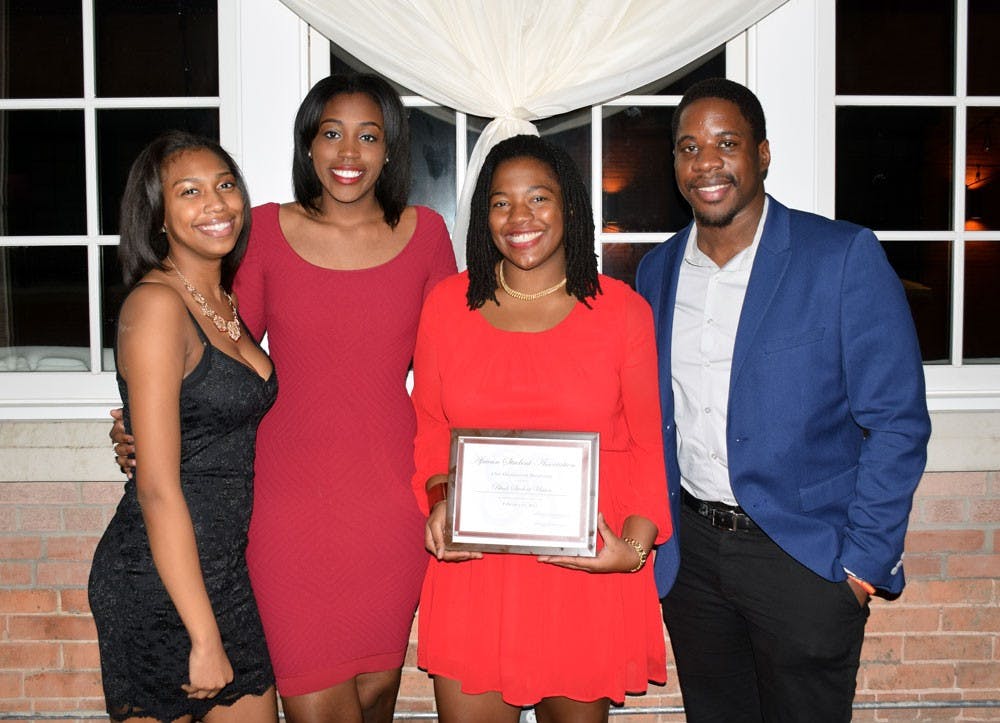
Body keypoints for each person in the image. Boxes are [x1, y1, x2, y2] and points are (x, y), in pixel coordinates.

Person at [111, 74, 457, 721]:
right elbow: (221, 362)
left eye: (368, 135)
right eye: (330, 133)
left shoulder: (429, 235)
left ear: (390, 149)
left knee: (377, 696)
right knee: (316, 701)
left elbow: (451, 378)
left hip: (391, 508)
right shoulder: (264, 231)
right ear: (307, 145)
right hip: (284, 512)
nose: (348, 152)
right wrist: (149, 425)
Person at [634, 78, 931, 722]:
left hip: (805, 561)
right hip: (695, 562)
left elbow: (898, 422)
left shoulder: (841, 256)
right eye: (688, 147)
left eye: (726, 143)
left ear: (762, 155)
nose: (706, 162)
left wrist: (860, 565)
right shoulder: (654, 273)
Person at [412, 134, 671, 723]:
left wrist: (630, 551)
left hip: (582, 575)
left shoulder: (622, 312)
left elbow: (650, 445)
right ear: (483, 217)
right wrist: (440, 502)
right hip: (474, 572)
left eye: (538, 198)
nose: (519, 218)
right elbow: (429, 428)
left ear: (570, 208)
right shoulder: (447, 306)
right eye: (501, 202)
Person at [89, 131, 278, 722]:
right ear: (159, 216)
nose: (216, 204)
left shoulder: (221, 301)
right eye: (189, 192)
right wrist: (203, 636)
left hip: (222, 568)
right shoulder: (157, 305)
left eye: (225, 185)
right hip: (157, 578)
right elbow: (156, 486)